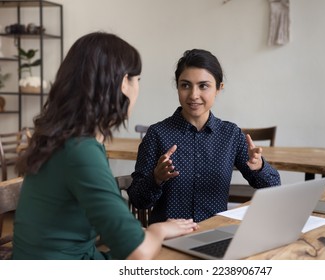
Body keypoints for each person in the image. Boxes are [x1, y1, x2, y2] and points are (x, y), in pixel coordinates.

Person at [12, 32, 198, 260]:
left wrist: (144, 233)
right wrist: (159, 230)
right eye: (137, 80)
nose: (138, 88)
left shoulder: (61, 139)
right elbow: (138, 253)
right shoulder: (81, 151)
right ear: (123, 84)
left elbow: (103, 223)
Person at [128, 49, 281, 224]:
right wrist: (156, 179)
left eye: (203, 86)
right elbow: (138, 201)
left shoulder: (231, 135)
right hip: (167, 238)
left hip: (214, 235)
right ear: (177, 86)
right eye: (185, 85)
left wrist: (259, 167)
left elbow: (273, 187)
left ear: (218, 88)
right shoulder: (157, 134)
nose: (193, 95)